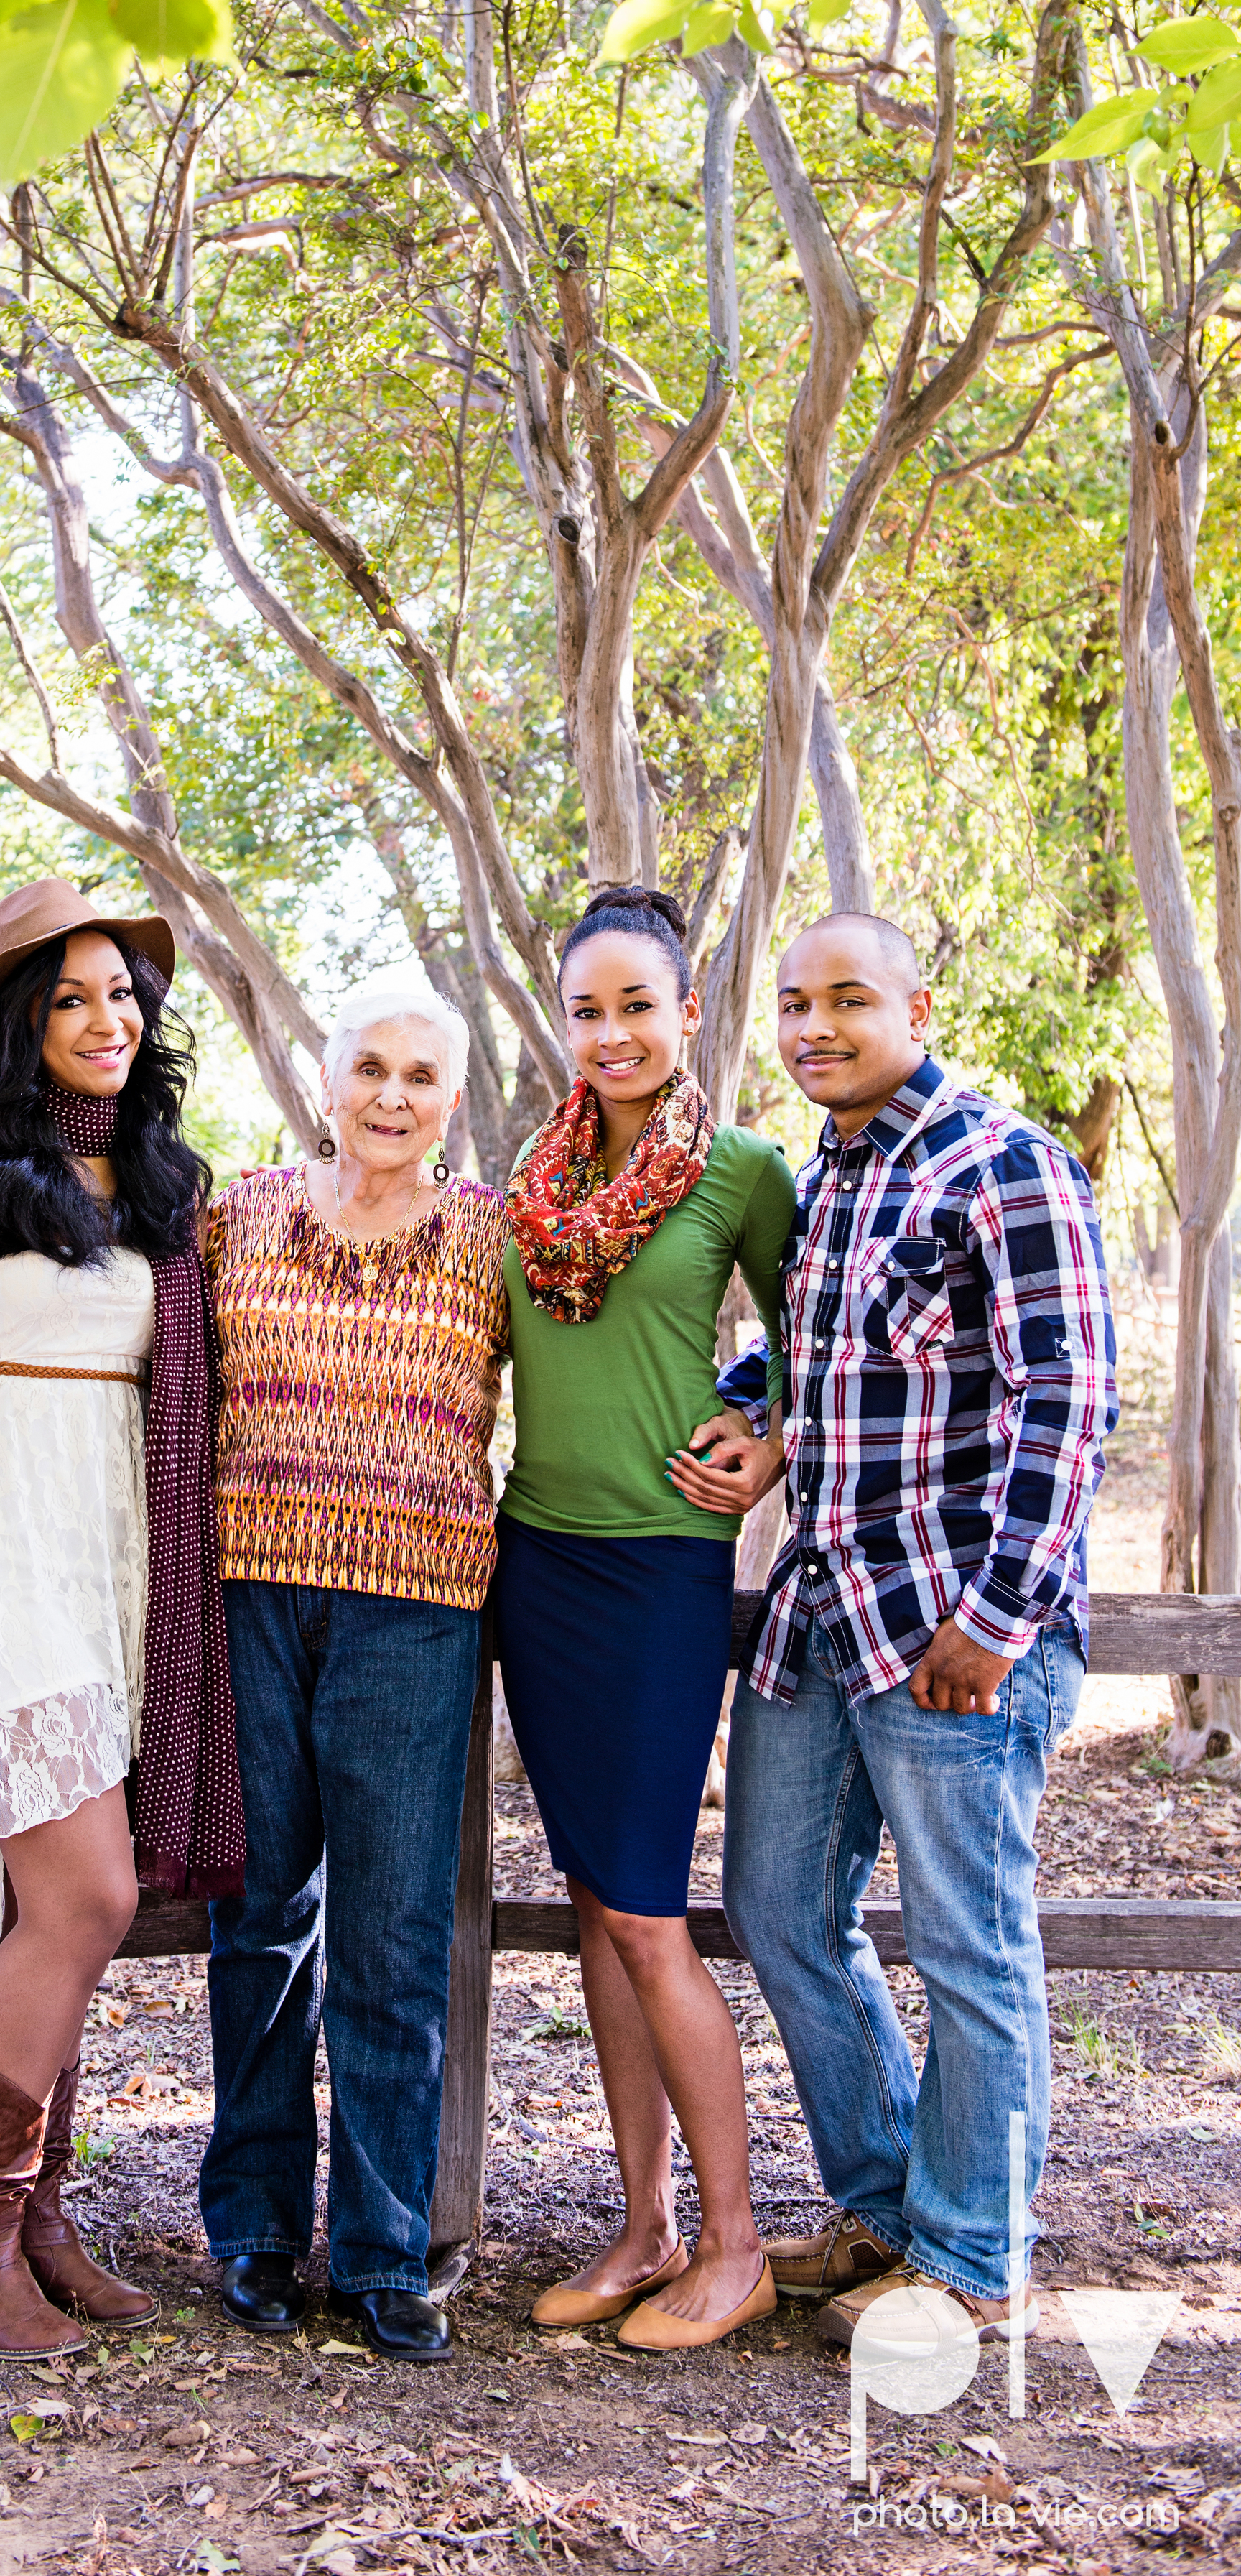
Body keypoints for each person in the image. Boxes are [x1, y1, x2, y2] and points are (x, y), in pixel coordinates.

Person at [679, 911, 1116, 2347]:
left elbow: (1067, 1402)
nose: (812, 1026)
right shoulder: (828, 1180)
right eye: (794, 1005)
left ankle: (974, 2256)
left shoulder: (1003, 1163)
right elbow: (807, 1347)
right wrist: (753, 1413)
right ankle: (886, 2207)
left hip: (950, 1633)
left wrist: (994, 1620)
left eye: (845, 1000)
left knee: (967, 1941)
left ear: (914, 1003)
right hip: (819, 1617)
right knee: (778, 1912)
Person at [0, 877, 241, 2363]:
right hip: (3, 1540)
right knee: (86, 1893)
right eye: (71, 997)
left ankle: (30, 2219)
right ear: (19, 1023)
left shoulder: (166, 1187)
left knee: (61, 1910)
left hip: (117, 1547)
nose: (106, 1019)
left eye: (123, 995)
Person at [493, 886, 794, 2351]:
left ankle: (735, 2246)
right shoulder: (527, 1187)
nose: (609, 1032)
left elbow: (825, 1346)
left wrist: (773, 1438)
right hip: (534, 1565)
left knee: (649, 1912)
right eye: (585, 1008)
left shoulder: (737, 1170)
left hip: (662, 1566)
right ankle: (640, 2225)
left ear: (684, 1015)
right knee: (602, 1915)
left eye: (635, 1005)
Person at [199, 983, 509, 2363]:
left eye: (420, 1076)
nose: (392, 1095)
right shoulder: (236, 1218)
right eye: (369, 1069)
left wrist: (755, 1417)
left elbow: (649, 1342)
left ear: (454, 1098)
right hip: (251, 1597)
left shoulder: (495, 1241)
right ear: (327, 1083)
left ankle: (387, 2245)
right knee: (261, 1921)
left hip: (418, 1614)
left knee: (391, 1937)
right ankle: (256, 2225)